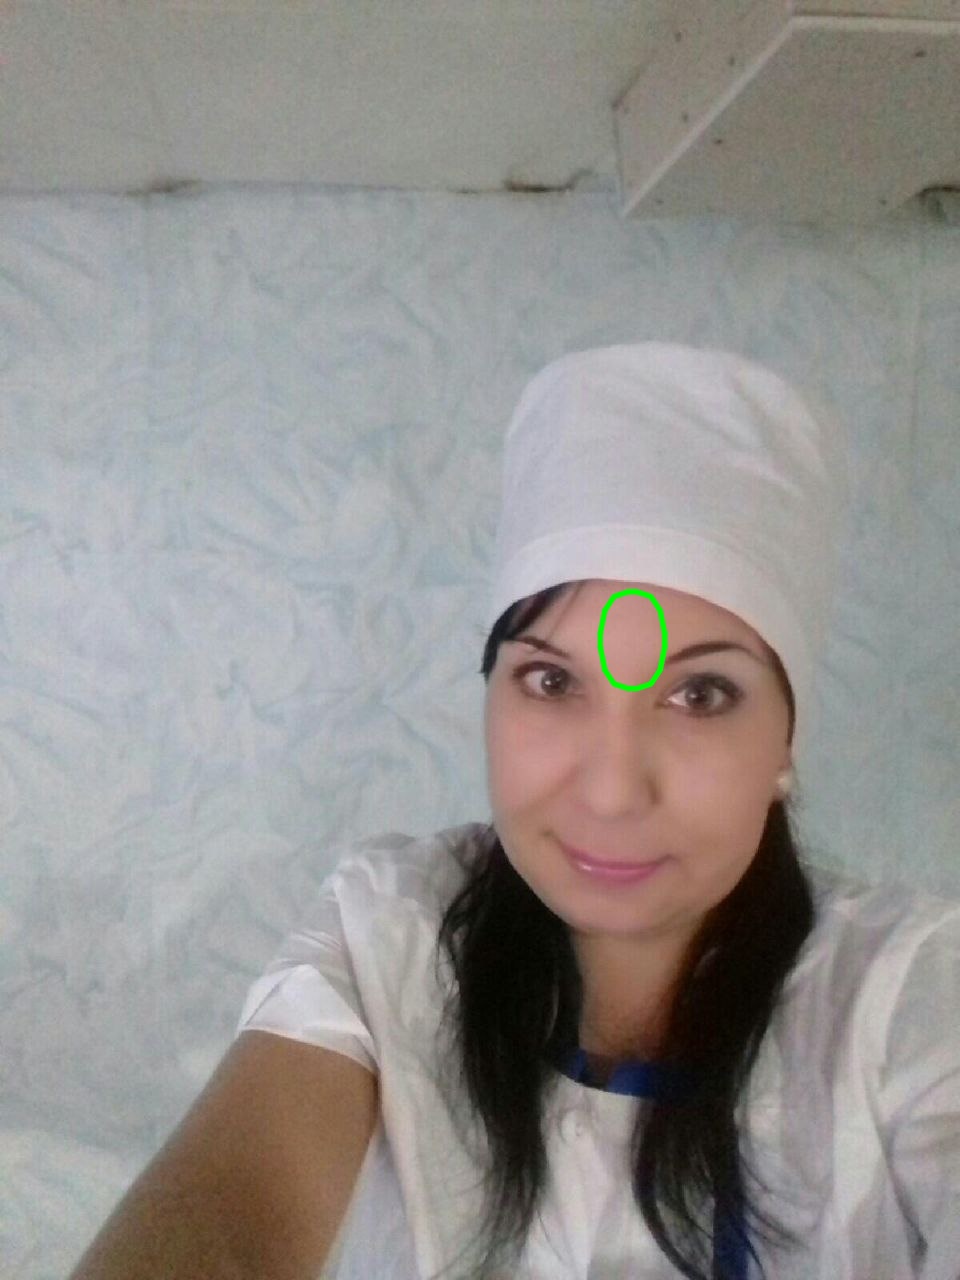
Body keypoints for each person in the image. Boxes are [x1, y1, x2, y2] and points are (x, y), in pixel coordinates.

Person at [69, 343, 960, 1280]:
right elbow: (238, 1201)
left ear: (787, 740)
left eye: (699, 694)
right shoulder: (389, 935)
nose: (611, 791)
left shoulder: (907, 992)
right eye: (551, 680)